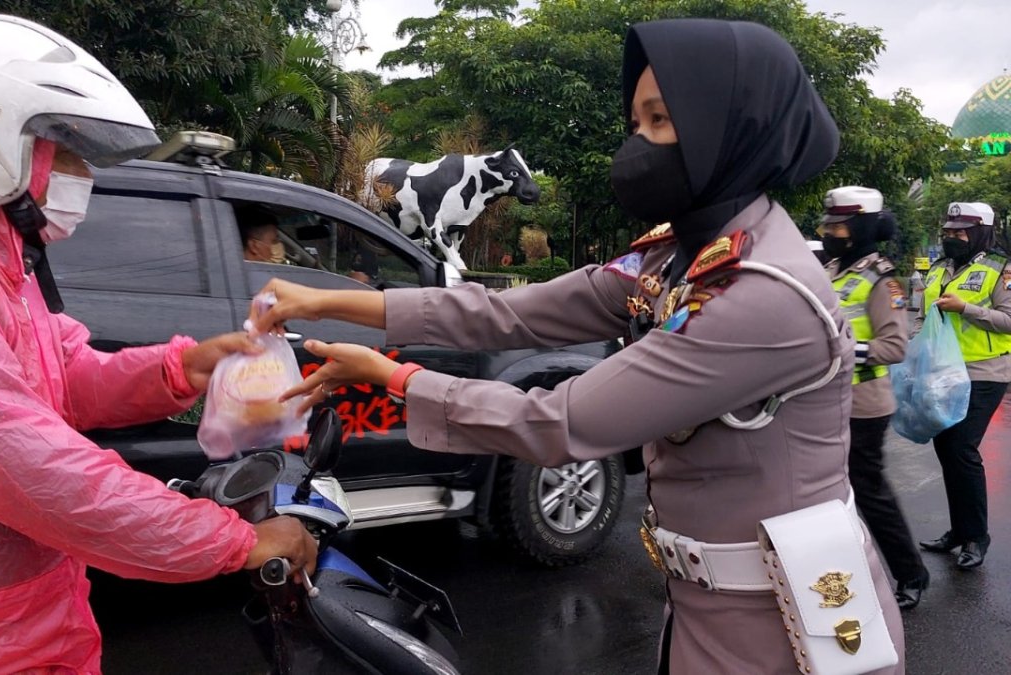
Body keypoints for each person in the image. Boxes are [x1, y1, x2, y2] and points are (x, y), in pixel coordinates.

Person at [252, 19, 904, 674]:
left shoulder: (765, 295)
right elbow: (506, 313)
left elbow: (561, 421)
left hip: (787, 625)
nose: (637, 144)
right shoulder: (680, 256)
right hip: (702, 600)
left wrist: (389, 377)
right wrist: (325, 299)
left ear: (729, 126)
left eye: (660, 121)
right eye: (636, 121)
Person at [0, 16, 316, 671]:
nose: (78, 171)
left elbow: (63, 372)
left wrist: (180, 366)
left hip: (10, 621)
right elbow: (31, 466)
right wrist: (231, 538)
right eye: (59, 149)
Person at [820, 186, 930, 609]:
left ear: (864, 227)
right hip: (824, 398)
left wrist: (841, 349)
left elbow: (894, 347)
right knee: (826, 492)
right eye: (828, 224)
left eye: (841, 225)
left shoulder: (882, 279)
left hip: (864, 403)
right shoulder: (832, 269)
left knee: (868, 490)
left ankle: (911, 573)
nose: (832, 232)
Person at [916, 201, 1011, 569]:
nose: (952, 237)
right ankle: (959, 531)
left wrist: (966, 309)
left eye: (961, 232)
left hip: (984, 373)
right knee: (947, 451)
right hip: (942, 372)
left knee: (961, 449)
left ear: (981, 233)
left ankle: (976, 537)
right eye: (949, 231)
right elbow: (925, 318)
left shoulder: (1000, 270)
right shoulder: (939, 268)